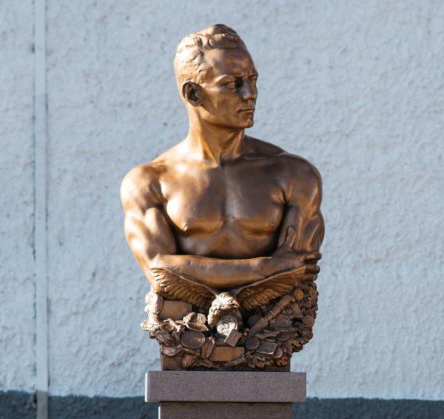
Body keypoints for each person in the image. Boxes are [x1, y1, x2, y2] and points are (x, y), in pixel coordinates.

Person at [121, 24, 323, 369]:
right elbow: (159, 270)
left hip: (268, 342)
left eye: (253, 80)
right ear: (193, 93)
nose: (250, 94)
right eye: (233, 84)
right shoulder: (151, 181)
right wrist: (267, 267)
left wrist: (193, 270)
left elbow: (297, 270)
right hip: (188, 342)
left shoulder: (293, 175)